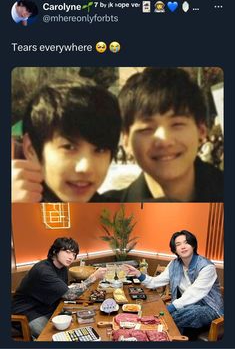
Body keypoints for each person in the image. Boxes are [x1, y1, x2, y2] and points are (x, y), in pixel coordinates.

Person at [104, 68, 223, 202]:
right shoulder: (103, 214)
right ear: (126, 141)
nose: (164, 140)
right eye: (146, 129)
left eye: (177, 124)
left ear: (201, 131)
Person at [12, 79, 121, 202]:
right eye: (69, 147)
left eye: (100, 150)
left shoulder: (123, 215)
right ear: (31, 150)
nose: (86, 167)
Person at [123, 230, 224, 336]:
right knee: (177, 312)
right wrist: (139, 274)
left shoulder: (207, 267)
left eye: (186, 242)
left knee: (192, 312)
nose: (183, 247)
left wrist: (169, 309)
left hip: (209, 308)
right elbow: (155, 282)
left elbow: (194, 293)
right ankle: (155, 332)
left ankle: (145, 326)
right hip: (185, 307)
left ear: (193, 245)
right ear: (175, 249)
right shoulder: (174, 264)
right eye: (178, 244)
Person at [12, 237, 106, 338]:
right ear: (54, 251)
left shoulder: (62, 268)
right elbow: (69, 295)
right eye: (67, 252)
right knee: (54, 337)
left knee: (79, 325)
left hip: (48, 307)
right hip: (28, 313)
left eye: (74, 254)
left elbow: (63, 292)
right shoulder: (43, 270)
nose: (71, 257)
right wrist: (94, 277)